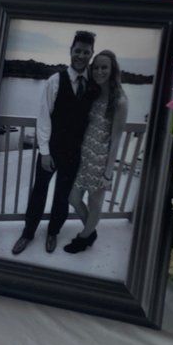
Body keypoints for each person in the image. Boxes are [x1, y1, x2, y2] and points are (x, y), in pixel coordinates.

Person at [12, 31, 99, 256]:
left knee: (62, 195)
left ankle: (53, 232)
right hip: (51, 150)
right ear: (71, 51)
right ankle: (27, 233)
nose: (81, 55)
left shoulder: (93, 85)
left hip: (75, 153)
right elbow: (43, 119)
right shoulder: (55, 81)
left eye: (86, 52)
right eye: (77, 50)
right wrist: (45, 152)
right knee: (39, 193)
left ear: (92, 54)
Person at [64, 50, 128, 254]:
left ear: (112, 70)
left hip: (100, 163)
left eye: (104, 67)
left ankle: (84, 238)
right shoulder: (92, 92)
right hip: (83, 158)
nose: (100, 71)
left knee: (95, 203)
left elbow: (116, 138)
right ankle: (90, 231)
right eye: (97, 67)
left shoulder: (119, 101)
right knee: (73, 198)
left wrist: (108, 174)